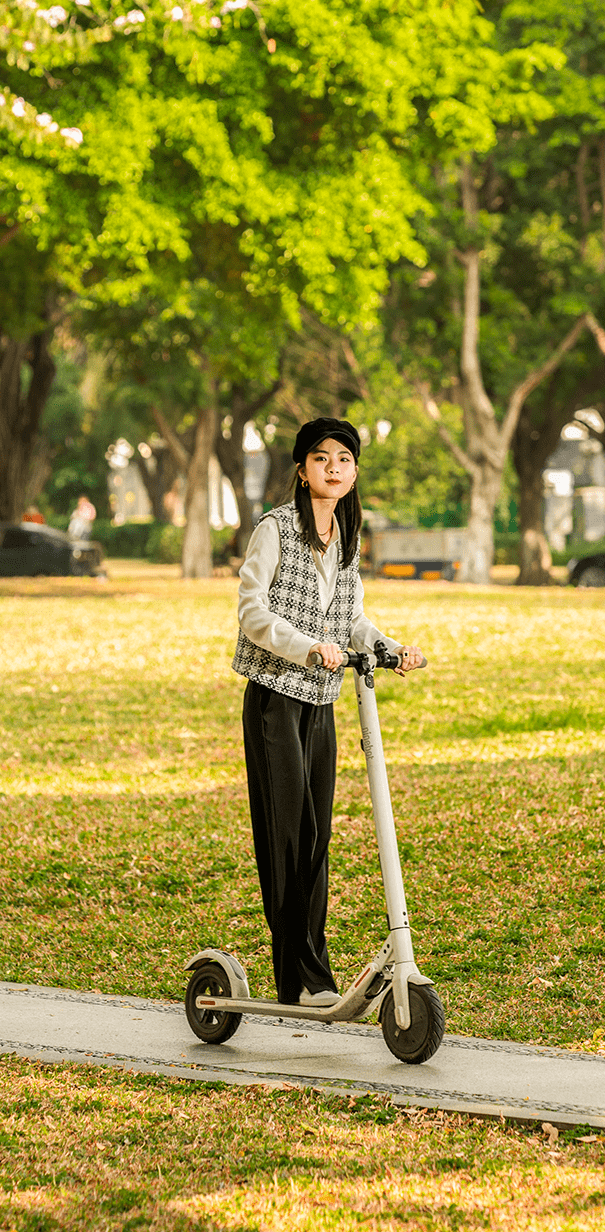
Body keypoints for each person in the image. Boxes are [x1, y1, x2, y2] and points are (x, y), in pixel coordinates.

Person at [231, 417, 424, 1008]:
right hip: (275, 699)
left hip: (322, 702)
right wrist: (306, 645)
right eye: (321, 458)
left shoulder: (346, 536)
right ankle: (304, 979)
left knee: (316, 836)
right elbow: (251, 610)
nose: (333, 467)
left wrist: (389, 649)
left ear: (354, 471)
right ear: (301, 468)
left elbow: (352, 619)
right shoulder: (276, 529)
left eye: (344, 458)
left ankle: (308, 978)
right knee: (286, 835)